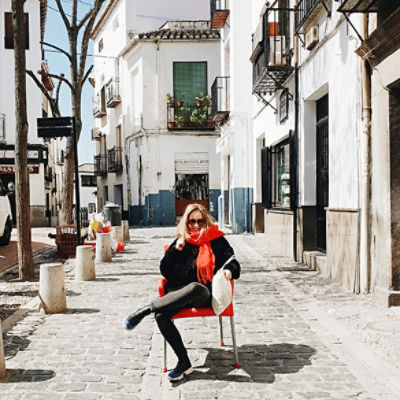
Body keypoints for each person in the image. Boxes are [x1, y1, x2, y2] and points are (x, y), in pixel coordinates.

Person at [124, 203, 240, 381]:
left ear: (205, 221)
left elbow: (234, 262)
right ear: (186, 222)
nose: (195, 225)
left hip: (203, 295)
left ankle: (145, 310)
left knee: (194, 287)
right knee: (161, 316)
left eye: (200, 221)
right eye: (191, 221)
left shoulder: (216, 239)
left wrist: (229, 271)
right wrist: (174, 251)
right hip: (178, 295)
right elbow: (165, 271)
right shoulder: (181, 241)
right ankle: (184, 362)